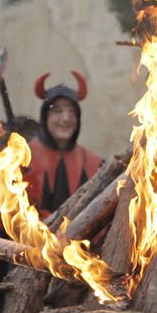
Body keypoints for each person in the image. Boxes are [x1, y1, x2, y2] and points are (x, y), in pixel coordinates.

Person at [27, 71, 103, 213]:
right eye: (57, 111)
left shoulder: (94, 164)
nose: (66, 118)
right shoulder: (23, 158)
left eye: (72, 111)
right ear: (45, 117)